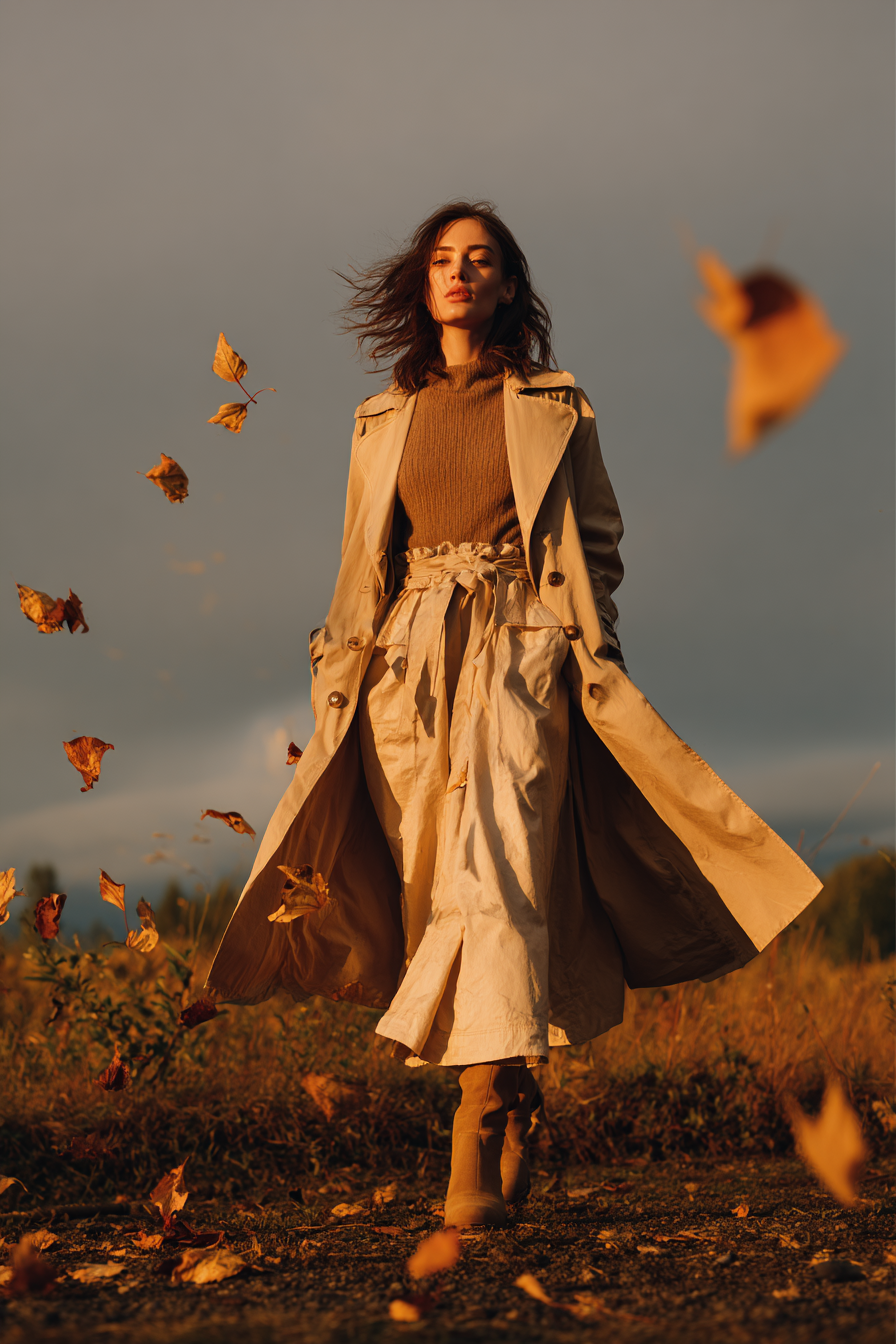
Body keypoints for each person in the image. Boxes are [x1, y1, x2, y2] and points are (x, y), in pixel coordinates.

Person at [206, 201, 821, 1228]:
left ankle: (475, 1118)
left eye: (478, 260)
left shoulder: (554, 405)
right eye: (443, 259)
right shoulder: (378, 420)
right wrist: (337, 674)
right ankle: (515, 1079)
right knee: (436, 886)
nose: (458, 273)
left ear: (505, 288)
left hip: (520, 652)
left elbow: (598, 540)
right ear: (422, 285)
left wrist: (577, 641)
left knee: (497, 868)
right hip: (406, 668)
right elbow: (362, 562)